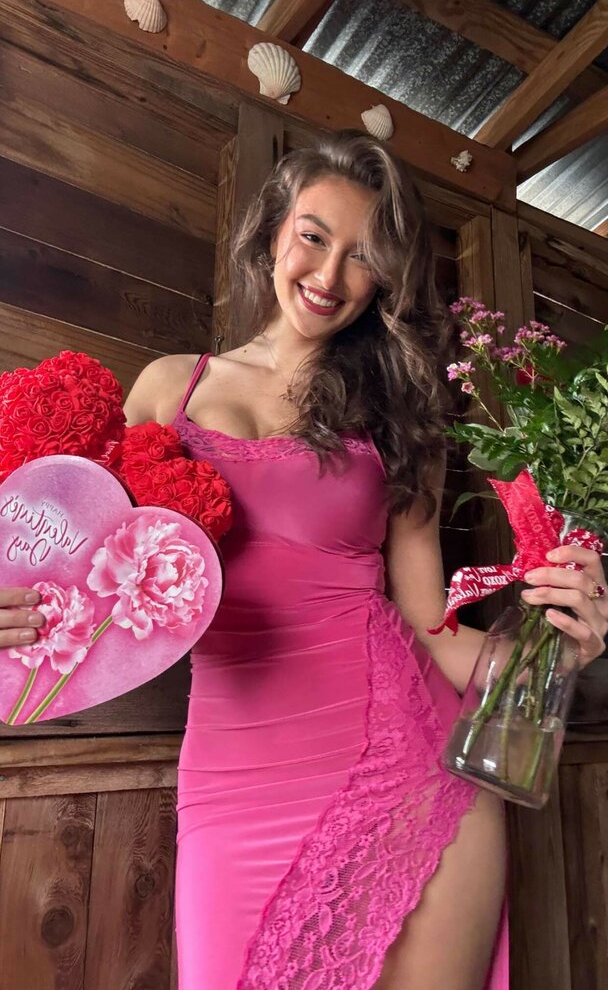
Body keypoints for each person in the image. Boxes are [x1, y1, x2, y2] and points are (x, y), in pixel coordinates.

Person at [1, 131, 606, 989]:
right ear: (274, 230)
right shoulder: (169, 387)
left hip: (402, 756)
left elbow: (430, 626)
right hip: (230, 771)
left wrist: (557, 656)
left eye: (364, 256)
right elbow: (71, 568)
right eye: (315, 236)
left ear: (386, 279)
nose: (329, 274)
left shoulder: (401, 418)